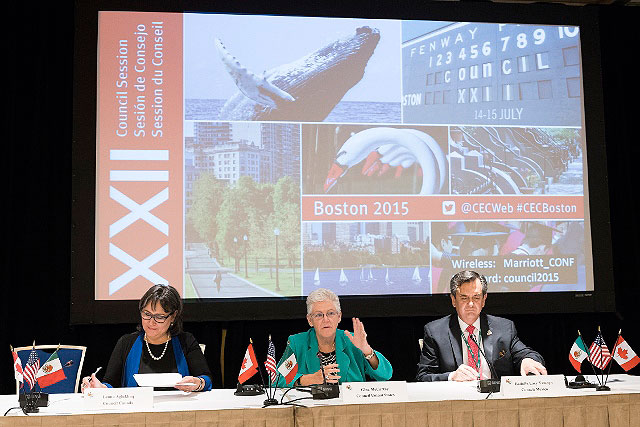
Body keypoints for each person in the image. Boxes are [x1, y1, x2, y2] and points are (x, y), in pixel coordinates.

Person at [416, 270, 546, 382]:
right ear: (453, 300)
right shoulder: (436, 331)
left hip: (496, 401)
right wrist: (452, 376)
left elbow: (526, 353)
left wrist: (527, 360)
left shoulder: (503, 328)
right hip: (456, 402)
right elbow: (423, 376)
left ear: (484, 300)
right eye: (464, 298)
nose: (471, 304)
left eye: (476, 298)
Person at [82, 284, 212, 392]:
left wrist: (197, 383)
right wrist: (99, 388)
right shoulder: (126, 342)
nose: (151, 322)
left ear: (173, 316)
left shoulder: (186, 341)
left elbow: (206, 379)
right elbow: (110, 384)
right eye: (147, 314)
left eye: (159, 317)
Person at [275, 288, 392, 387]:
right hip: (312, 410)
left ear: (339, 317)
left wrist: (366, 350)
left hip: (350, 409)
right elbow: (276, 379)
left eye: (331, 313)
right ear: (310, 320)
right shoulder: (298, 343)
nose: (326, 320)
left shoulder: (352, 340)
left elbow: (385, 375)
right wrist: (305, 380)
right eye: (319, 315)